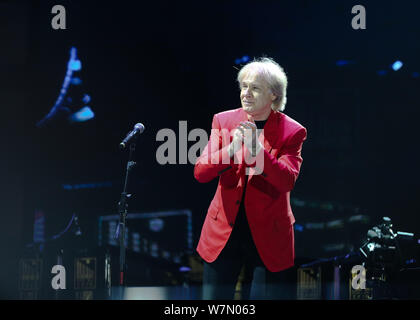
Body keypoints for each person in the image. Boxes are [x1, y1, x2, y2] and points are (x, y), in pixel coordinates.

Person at [194, 57, 307, 299]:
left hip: (269, 233)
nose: (246, 93)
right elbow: (201, 172)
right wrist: (231, 149)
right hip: (224, 229)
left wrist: (258, 152)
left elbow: (287, 181)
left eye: (255, 88)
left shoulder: (293, 131)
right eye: (244, 86)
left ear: (274, 95)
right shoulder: (223, 120)